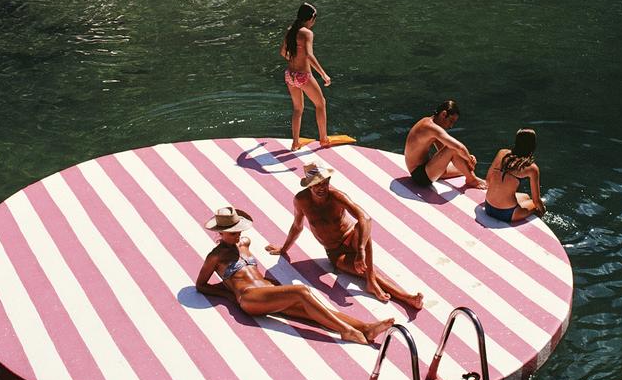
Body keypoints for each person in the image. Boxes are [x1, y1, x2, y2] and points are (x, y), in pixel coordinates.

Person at [195, 205, 395, 345]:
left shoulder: (245, 243)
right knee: (302, 291)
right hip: (249, 297)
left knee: (315, 310)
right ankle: (347, 331)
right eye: (231, 232)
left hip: (268, 291)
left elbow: (252, 271)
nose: (237, 235)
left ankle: (365, 328)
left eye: (237, 230)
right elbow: (201, 285)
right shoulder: (216, 256)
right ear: (220, 233)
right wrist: (229, 295)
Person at [266, 161, 423, 309]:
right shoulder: (301, 200)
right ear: (309, 185)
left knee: (362, 227)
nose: (322, 187)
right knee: (366, 270)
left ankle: (383, 286)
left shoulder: (337, 197)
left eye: (325, 182)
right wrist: (284, 248)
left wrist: (360, 249)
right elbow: (297, 226)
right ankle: (402, 295)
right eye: (317, 184)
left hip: (353, 240)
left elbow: (365, 218)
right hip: (335, 252)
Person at [280, 2, 331, 149]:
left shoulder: (291, 30)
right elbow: (309, 55)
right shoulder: (307, 33)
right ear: (311, 18)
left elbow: (283, 52)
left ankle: (295, 142)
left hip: (290, 75)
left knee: (298, 109)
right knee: (320, 104)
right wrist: (323, 74)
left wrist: (295, 59)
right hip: (303, 76)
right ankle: (323, 138)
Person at [404, 99, 486, 189]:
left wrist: (466, 159)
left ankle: (471, 177)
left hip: (426, 169)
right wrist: (468, 160)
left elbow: (443, 150)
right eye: (451, 121)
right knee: (453, 148)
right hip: (420, 175)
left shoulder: (431, 125)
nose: (451, 126)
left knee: (464, 167)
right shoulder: (430, 127)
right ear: (443, 114)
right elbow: (458, 147)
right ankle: (472, 180)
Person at [484, 128, 545, 223]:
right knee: (538, 205)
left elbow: (488, 180)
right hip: (507, 214)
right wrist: (543, 211)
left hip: (488, 206)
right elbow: (536, 201)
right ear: (532, 145)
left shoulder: (502, 153)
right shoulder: (532, 168)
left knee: (525, 196)